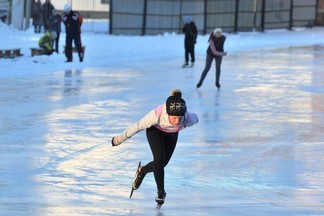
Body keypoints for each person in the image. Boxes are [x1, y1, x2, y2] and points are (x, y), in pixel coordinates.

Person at [111, 89, 198, 205]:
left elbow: (196, 118)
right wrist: (119, 139)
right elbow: (137, 127)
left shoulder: (188, 118)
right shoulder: (157, 114)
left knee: (162, 164)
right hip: (155, 130)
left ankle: (142, 171)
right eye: (174, 118)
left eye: (179, 118)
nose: (177, 121)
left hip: (171, 134)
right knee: (159, 158)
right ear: (167, 113)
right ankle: (161, 192)